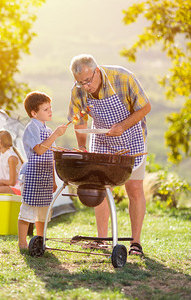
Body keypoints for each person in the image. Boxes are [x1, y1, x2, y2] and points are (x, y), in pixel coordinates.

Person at [67, 54, 151, 256]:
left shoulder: (122, 77)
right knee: (100, 188)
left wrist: (122, 126)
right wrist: (82, 147)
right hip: (102, 138)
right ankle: (103, 240)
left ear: (96, 71)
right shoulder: (78, 91)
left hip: (131, 136)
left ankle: (135, 243)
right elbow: (79, 120)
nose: (86, 86)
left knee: (135, 188)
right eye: (80, 82)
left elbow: (145, 107)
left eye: (88, 80)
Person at [18, 91, 67, 250]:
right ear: (34, 113)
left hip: (45, 175)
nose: (50, 111)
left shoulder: (47, 129)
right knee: (28, 210)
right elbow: (39, 150)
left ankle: (40, 242)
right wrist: (55, 134)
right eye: (46, 109)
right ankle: (22, 243)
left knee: (42, 212)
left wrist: (53, 180)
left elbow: (50, 157)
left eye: (50, 108)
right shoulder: (31, 128)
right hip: (32, 174)